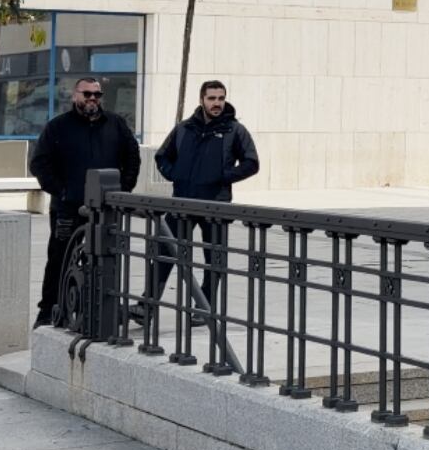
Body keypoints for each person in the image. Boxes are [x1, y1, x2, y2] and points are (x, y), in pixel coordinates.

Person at [29, 77, 141, 327]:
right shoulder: (57, 127)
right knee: (60, 258)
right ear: (75, 96)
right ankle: (49, 311)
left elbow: (132, 157)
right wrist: (63, 191)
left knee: (105, 259)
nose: (92, 99)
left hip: (106, 210)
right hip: (68, 208)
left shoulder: (116, 124)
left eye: (97, 95)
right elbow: (39, 164)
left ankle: (100, 310)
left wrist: (123, 190)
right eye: (87, 94)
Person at [149, 81, 260, 325]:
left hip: (216, 206)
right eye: (212, 98)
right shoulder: (184, 128)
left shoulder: (234, 130)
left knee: (214, 259)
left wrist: (223, 175)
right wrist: (174, 173)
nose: (217, 103)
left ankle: (204, 308)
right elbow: (162, 156)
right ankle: (148, 305)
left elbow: (252, 163)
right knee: (164, 252)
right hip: (182, 205)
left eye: (221, 98)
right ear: (202, 99)